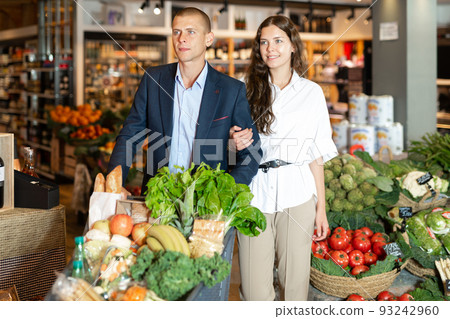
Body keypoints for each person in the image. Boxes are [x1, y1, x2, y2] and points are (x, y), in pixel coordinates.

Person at [232, 15, 338, 301]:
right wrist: (232, 139)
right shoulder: (244, 89)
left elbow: (316, 154)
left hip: (299, 194)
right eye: (264, 42)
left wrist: (321, 208)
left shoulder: (312, 93)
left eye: (278, 41)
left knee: (294, 288)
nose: (271, 48)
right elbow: (226, 141)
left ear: (293, 46)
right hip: (254, 194)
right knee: (254, 292)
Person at [107, 7, 262, 195]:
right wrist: (114, 184)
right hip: (157, 199)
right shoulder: (153, 79)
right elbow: (129, 136)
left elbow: (251, 154)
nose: (182, 38)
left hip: (205, 204)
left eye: (191, 32)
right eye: (176, 32)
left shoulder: (231, 90)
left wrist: (225, 195)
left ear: (209, 39)